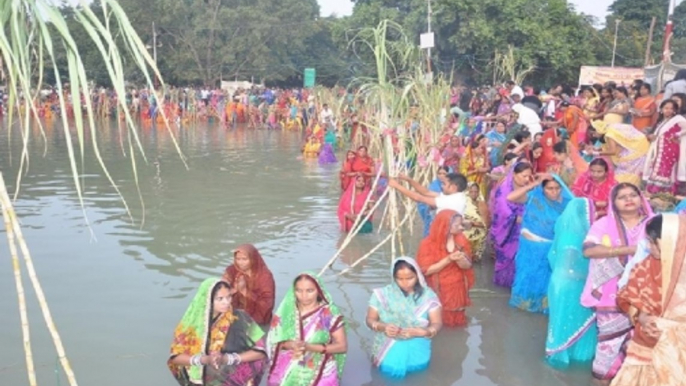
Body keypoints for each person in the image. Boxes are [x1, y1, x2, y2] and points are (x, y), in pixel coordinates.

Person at [582, 183, 654, 384]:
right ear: (614, 202)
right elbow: (588, 250)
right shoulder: (603, 223)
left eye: (633, 195)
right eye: (622, 197)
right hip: (610, 294)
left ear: (641, 198)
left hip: (647, 296)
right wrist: (628, 250)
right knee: (608, 348)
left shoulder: (654, 223)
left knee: (642, 350)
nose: (629, 199)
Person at [610, 214, 686, 386]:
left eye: (653, 242)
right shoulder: (646, 265)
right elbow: (625, 295)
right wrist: (641, 317)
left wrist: (668, 328)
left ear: (671, 242)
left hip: (679, 352)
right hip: (644, 348)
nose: (649, 247)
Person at [168, 279, 268, 386]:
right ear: (207, 300)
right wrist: (204, 360)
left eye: (228, 297)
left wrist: (228, 358)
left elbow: (260, 352)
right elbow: (175, 358)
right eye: (220, 299)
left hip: (232, 379)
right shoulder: (191, 323)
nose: (226, 302)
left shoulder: (241, 318)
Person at [506, 174, 573, 313]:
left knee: (547, 277)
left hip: (552, 246)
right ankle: (526, 304)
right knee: (529, 275)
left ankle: (545, 304)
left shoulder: (567, 204)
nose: (554, 192)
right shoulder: (534, 198)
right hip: (530, 247)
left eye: (557, 188)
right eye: (549, 188)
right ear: (543, 189)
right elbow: (510, 197)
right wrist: (534, 183)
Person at [366, 257, 443, 379]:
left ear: (417, 275)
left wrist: (425, 331)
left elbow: (437, 322)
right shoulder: (382, 295)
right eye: (400, 279)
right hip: (388, 348)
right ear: (393, 277)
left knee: (419, 377)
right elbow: (370, 319)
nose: (405, 283)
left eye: (410, 278)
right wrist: (383, 327)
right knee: (388, 377)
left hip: (418, 348)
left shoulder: (428, 296)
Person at [266, 273, 347, 386]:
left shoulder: (329, 312)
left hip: (321, 367)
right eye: (299, 290)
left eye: (310, 291)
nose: (304, 296)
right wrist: (291, 345)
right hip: (289, 365)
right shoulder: (286, 311)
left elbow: (342, 346)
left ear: (319, 290)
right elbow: (273, 342)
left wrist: (309, 347)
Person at [546, 198, 598, 368]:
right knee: (573, 318)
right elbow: (570, 265)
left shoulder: (564, 231)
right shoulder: (577, 237)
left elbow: (554, 257)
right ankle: (576, 357)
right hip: (572, 284)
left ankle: (560, 354)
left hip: (558, 283)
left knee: (561, 320)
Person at [416, 210, 475, 327]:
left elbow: (468, 266)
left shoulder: (461, 240)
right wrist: (448, 259)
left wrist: (461, 260)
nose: (461, 228)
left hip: (457, 288)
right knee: (437, 321)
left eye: (461, 224)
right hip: (437, 289)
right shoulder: (427, 244)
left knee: (457, 323)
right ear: (445, 226)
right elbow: (426, 271)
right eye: (456, 225)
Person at [489, 162, 532, 287]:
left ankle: (518, 282)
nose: (527, 179)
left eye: (529, 176)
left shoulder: (527, 188)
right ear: (514, 174)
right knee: (508, 256)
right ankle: (506, 281)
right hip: (508, 228)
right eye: (524, 176)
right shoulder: (503, 189)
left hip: (524, 227)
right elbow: (502, 209)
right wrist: (514, 218)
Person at [221, 244, 276, 327]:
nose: (240, 263)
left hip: (257, 319)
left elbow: (267, 304)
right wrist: (232, 289)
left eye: (244, 259)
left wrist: (244, 291)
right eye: (238, 259)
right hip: (234, 315)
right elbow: (222, 287)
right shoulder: (232, 270)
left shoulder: (265, 277)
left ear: (253, 259)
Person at [643, 99, 686, 195]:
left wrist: (677, 135)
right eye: (666, 108)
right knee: (657, 168)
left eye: (671, 108)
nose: (669, 110)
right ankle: (654, 192)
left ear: (675, 110)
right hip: (659, 150)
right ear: (661, 109)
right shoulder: (662, 121)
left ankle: (664, 193)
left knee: (665, 170)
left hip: (670, 150)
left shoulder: (678, 119)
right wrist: (652, 136)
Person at [591, 120, 649, 186]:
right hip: (639, 146)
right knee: (630, 171)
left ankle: (624, 186)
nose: (594, 135)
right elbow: (618, 144)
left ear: (598, 130)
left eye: (594, 133)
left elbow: (613, 151)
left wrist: (596, 153)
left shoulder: (609, 135)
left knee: (625, 170)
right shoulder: (610, 128)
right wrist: (599, 149)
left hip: (636, 150)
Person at [388, 173, 468, 216]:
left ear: (453, 187)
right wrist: (409, 180)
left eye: (444, 184)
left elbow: (419, 198)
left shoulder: (452, 200)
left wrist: (396, 186)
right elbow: (426, 192)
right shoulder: (456, 195)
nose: (441, 186)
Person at [418, 166, 450, 237]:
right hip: (434, 215)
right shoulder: (434, 186)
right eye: (439, 173)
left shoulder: (452, 186)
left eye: (444, 174)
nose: (441, 176)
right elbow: (425, 200)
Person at [465, 182, 490, 260]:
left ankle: (476, 254)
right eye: (471, 191)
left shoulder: (481, 203)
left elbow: (486, 221)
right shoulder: (464, 202)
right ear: (468, 192)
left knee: (482, 232)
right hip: (466, 227)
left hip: (479, 228)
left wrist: (475, 223)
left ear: (479, 192)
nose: (473, 194)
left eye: (476, 192)